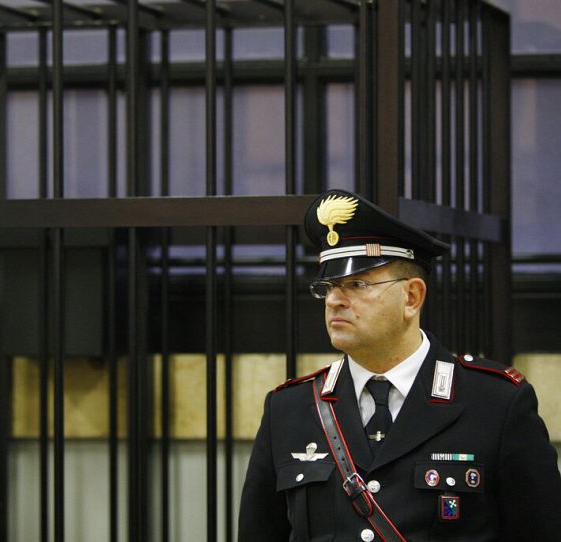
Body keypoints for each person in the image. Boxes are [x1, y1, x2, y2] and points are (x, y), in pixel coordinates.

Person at [238, 189, 561, 541]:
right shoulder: (289, 409)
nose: (334, 300)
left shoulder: (495, 404)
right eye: (328, 286)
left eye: (357, 284)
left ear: (412, 297)